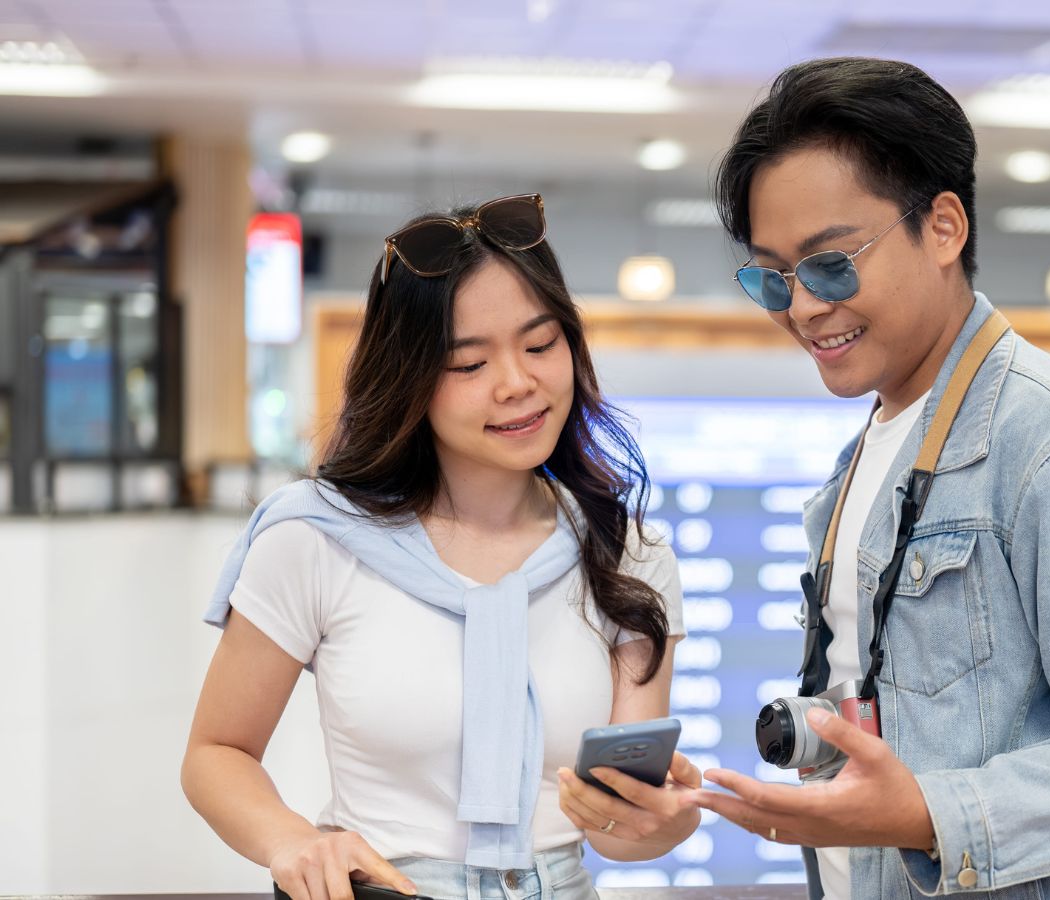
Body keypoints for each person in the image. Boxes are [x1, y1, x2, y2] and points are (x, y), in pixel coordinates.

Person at [691, 58, 1050, 899]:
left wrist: (929, 814)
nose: (802, 307)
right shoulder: (867, 456)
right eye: (772, 277)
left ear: (943, 228)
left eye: (830, 264)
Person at [181, 194, 701, 900]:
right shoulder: (315, 537)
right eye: (467, 365)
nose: (517, 384)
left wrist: (662, 821)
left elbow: (616, 829)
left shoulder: (626, 554)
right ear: (410, 379)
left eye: (541, 345)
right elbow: (217, 753)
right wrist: (293, 842)